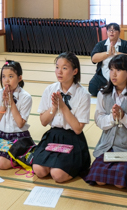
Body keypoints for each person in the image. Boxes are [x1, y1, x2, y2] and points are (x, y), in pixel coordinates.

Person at [84, 54, 127, 191]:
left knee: (120, 183)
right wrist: (112, 117)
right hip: (108, 146)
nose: (113, 74)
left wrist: (124, 118)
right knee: (99, 179)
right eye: (111, 70)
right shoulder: (103, 94)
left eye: (119, 70)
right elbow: (99, 120)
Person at [32, 52, 91, 183]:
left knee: (57, 175)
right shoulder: (50, 89)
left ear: (75, 71)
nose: (59, 71)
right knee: (39, 170)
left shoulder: (83, 94)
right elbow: (43, 121)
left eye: (64, 68)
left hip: (72, 138)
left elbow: (77, 129)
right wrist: (54, 107)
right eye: (57, 67)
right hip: (53, 135)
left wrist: (63, 106)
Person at [0, 60, 32, 169]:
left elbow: (20, 124)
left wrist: (11, 102)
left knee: (1, 163)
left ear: (19, 78)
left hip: (18, 136)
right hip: (1, 135)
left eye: (10, 76)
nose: (6, 80)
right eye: (3, 76)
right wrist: (3, 105)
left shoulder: (25, 97)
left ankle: (20, 158)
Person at [88, 23, 127, 97]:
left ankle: (111, 89)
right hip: (103, 75)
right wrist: (108, 53)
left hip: (120, 75)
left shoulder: (125, 44)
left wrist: (116, 53)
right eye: (109, 30)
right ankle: (110, 89)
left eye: (114, 30)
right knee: (92, 89)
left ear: (119, 32)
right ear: (106, 32)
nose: (111, 32)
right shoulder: (101, 44)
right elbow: (94, 59)